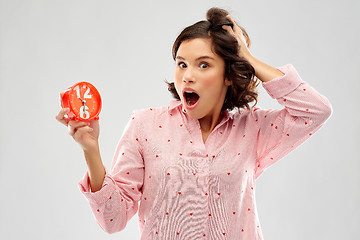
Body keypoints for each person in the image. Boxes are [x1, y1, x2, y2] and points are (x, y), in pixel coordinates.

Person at [56, 7, 332, 240]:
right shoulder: (145, 124)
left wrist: (246, 57)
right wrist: (91, 150)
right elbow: (112, 220)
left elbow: (315, 111)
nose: (187, 76)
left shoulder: (253, 129)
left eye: (203, 65)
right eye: (181, 64)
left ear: (227, 75)